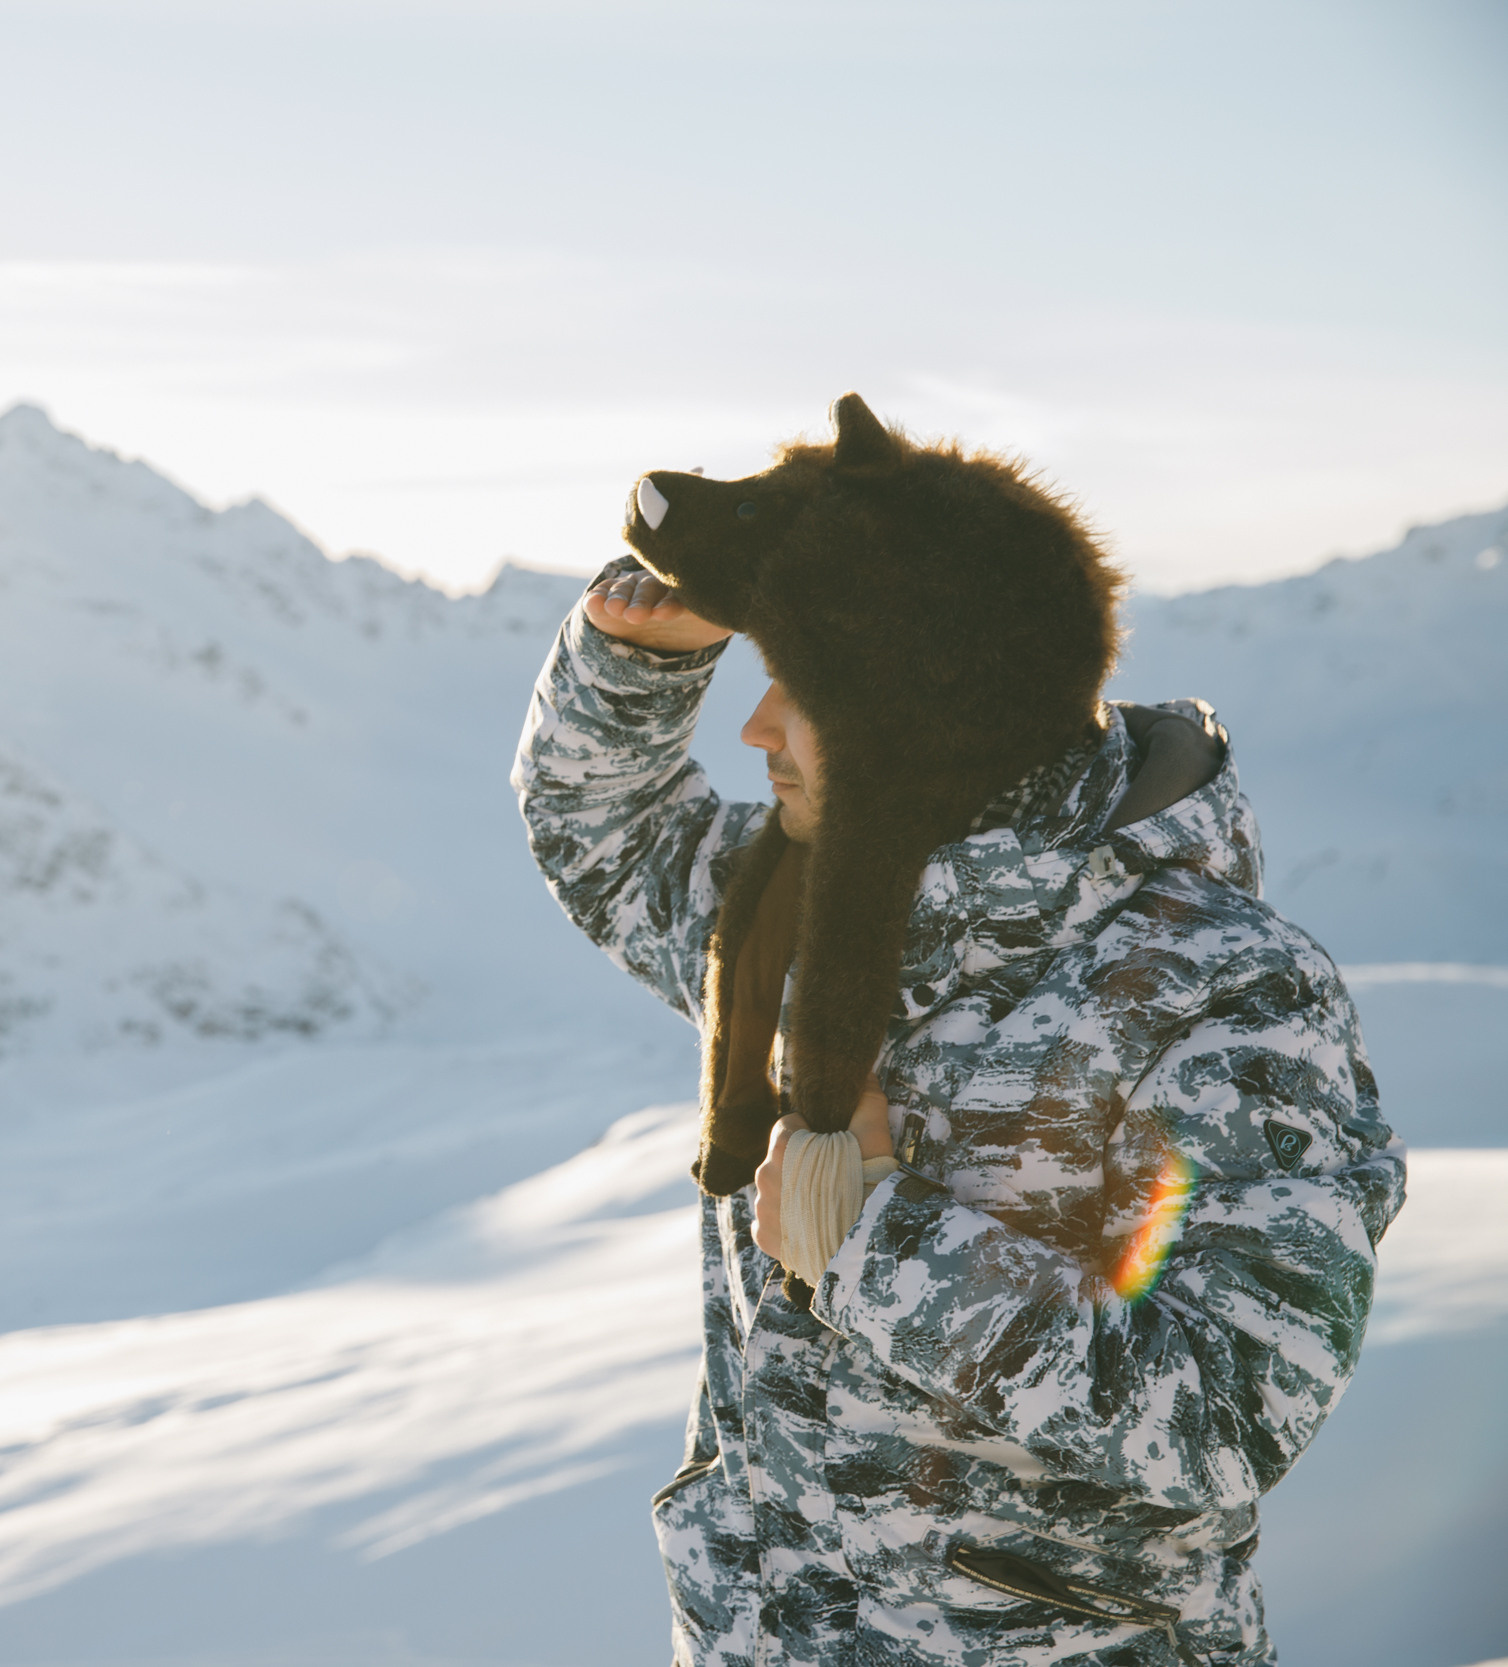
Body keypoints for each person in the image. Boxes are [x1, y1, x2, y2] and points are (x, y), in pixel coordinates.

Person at [511, 395, 1404, 1665]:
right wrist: (640, 647)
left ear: (915, 724)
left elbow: (1222, 1407)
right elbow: (601, 834)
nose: (755, 728)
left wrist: (875, 1237)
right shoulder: (796, 912)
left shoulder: (1219, 989)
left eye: (798, 689)